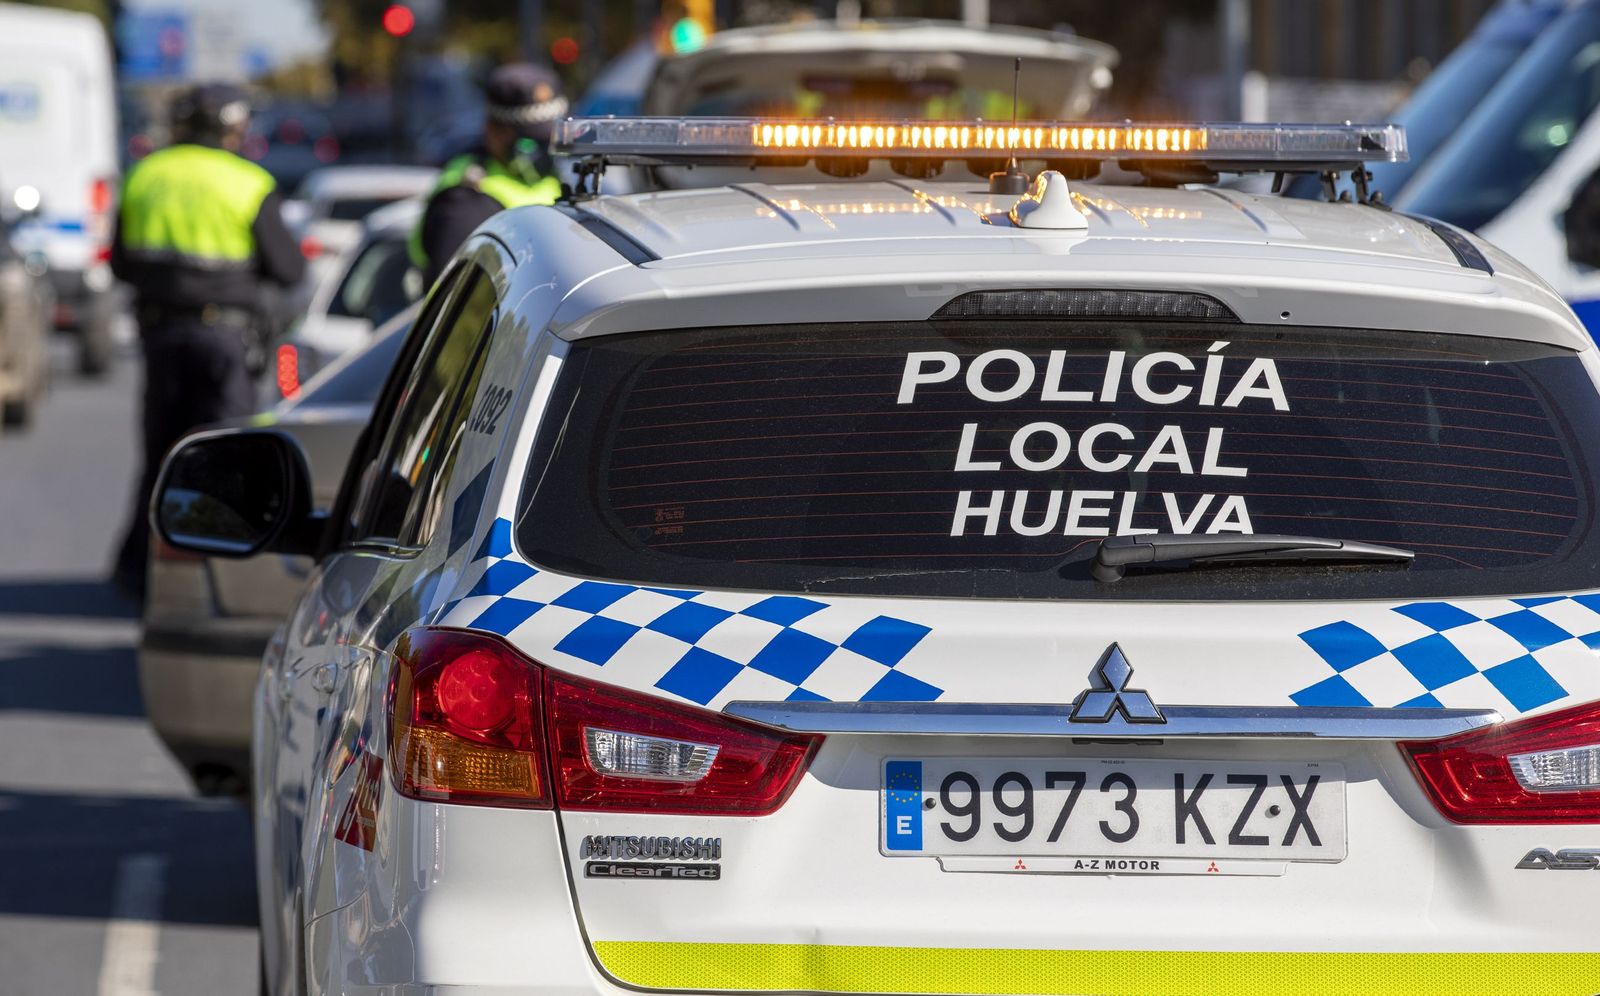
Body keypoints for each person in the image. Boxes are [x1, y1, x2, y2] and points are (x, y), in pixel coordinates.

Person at [110, 83, 305, 599]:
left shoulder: (144, 174)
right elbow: (288, 269)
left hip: (162, 334)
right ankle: (216, 573)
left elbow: (121, 262)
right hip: (226, 337)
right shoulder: (248, 182)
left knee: (161, 450)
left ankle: (139, 568)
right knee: (223, 453)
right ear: (233, 130)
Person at [411, 63, 567, 285]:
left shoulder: (550, 179)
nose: (545, 149)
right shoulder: (464, 202)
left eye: (550, 138)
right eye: (531, 140)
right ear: (493, 132)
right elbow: (462, 301)